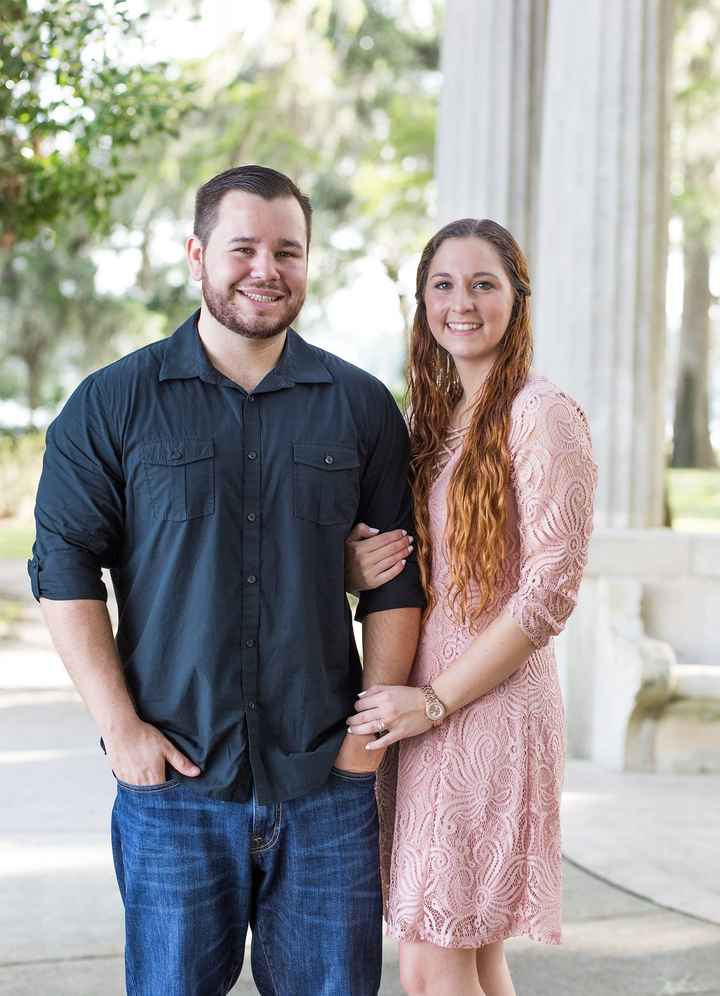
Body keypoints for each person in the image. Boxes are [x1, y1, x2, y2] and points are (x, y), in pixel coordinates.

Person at [28, 165, 424, 996]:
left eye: (289, 251)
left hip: (325, 784)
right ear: (197, 254)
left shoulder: (359, 406)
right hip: (174, 786)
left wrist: (365, 744)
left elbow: (395, 584)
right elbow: (65, 571)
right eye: (243, 247)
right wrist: (121, 729)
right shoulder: (112, 404)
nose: (265, 269)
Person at [345, 218, 597, 996]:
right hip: (428, 707)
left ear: (518, 300)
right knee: (468, 952)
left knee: (431, 956)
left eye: (484, 283)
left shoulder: (541, 411)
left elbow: (550, 591)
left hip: (480, 707)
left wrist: (434, 700)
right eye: (443, 285)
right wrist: (358, 569)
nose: (463, 302)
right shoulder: (438, 418)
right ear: (421, 302)